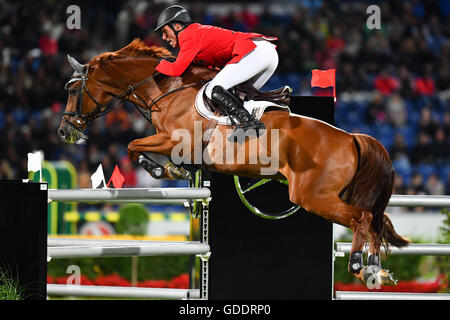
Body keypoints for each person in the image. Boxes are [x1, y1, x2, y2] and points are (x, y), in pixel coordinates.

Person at [153, 5, 281, 135]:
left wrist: (153, 63)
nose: (164, 37)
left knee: (214, 89)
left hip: (254, 51)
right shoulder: (195, 33)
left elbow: (176, 70)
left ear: (178, 27)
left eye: (165, 31)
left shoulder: (188, 35)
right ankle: (253, 127)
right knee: (238, 96)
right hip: (266, 53)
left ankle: (250, 124)